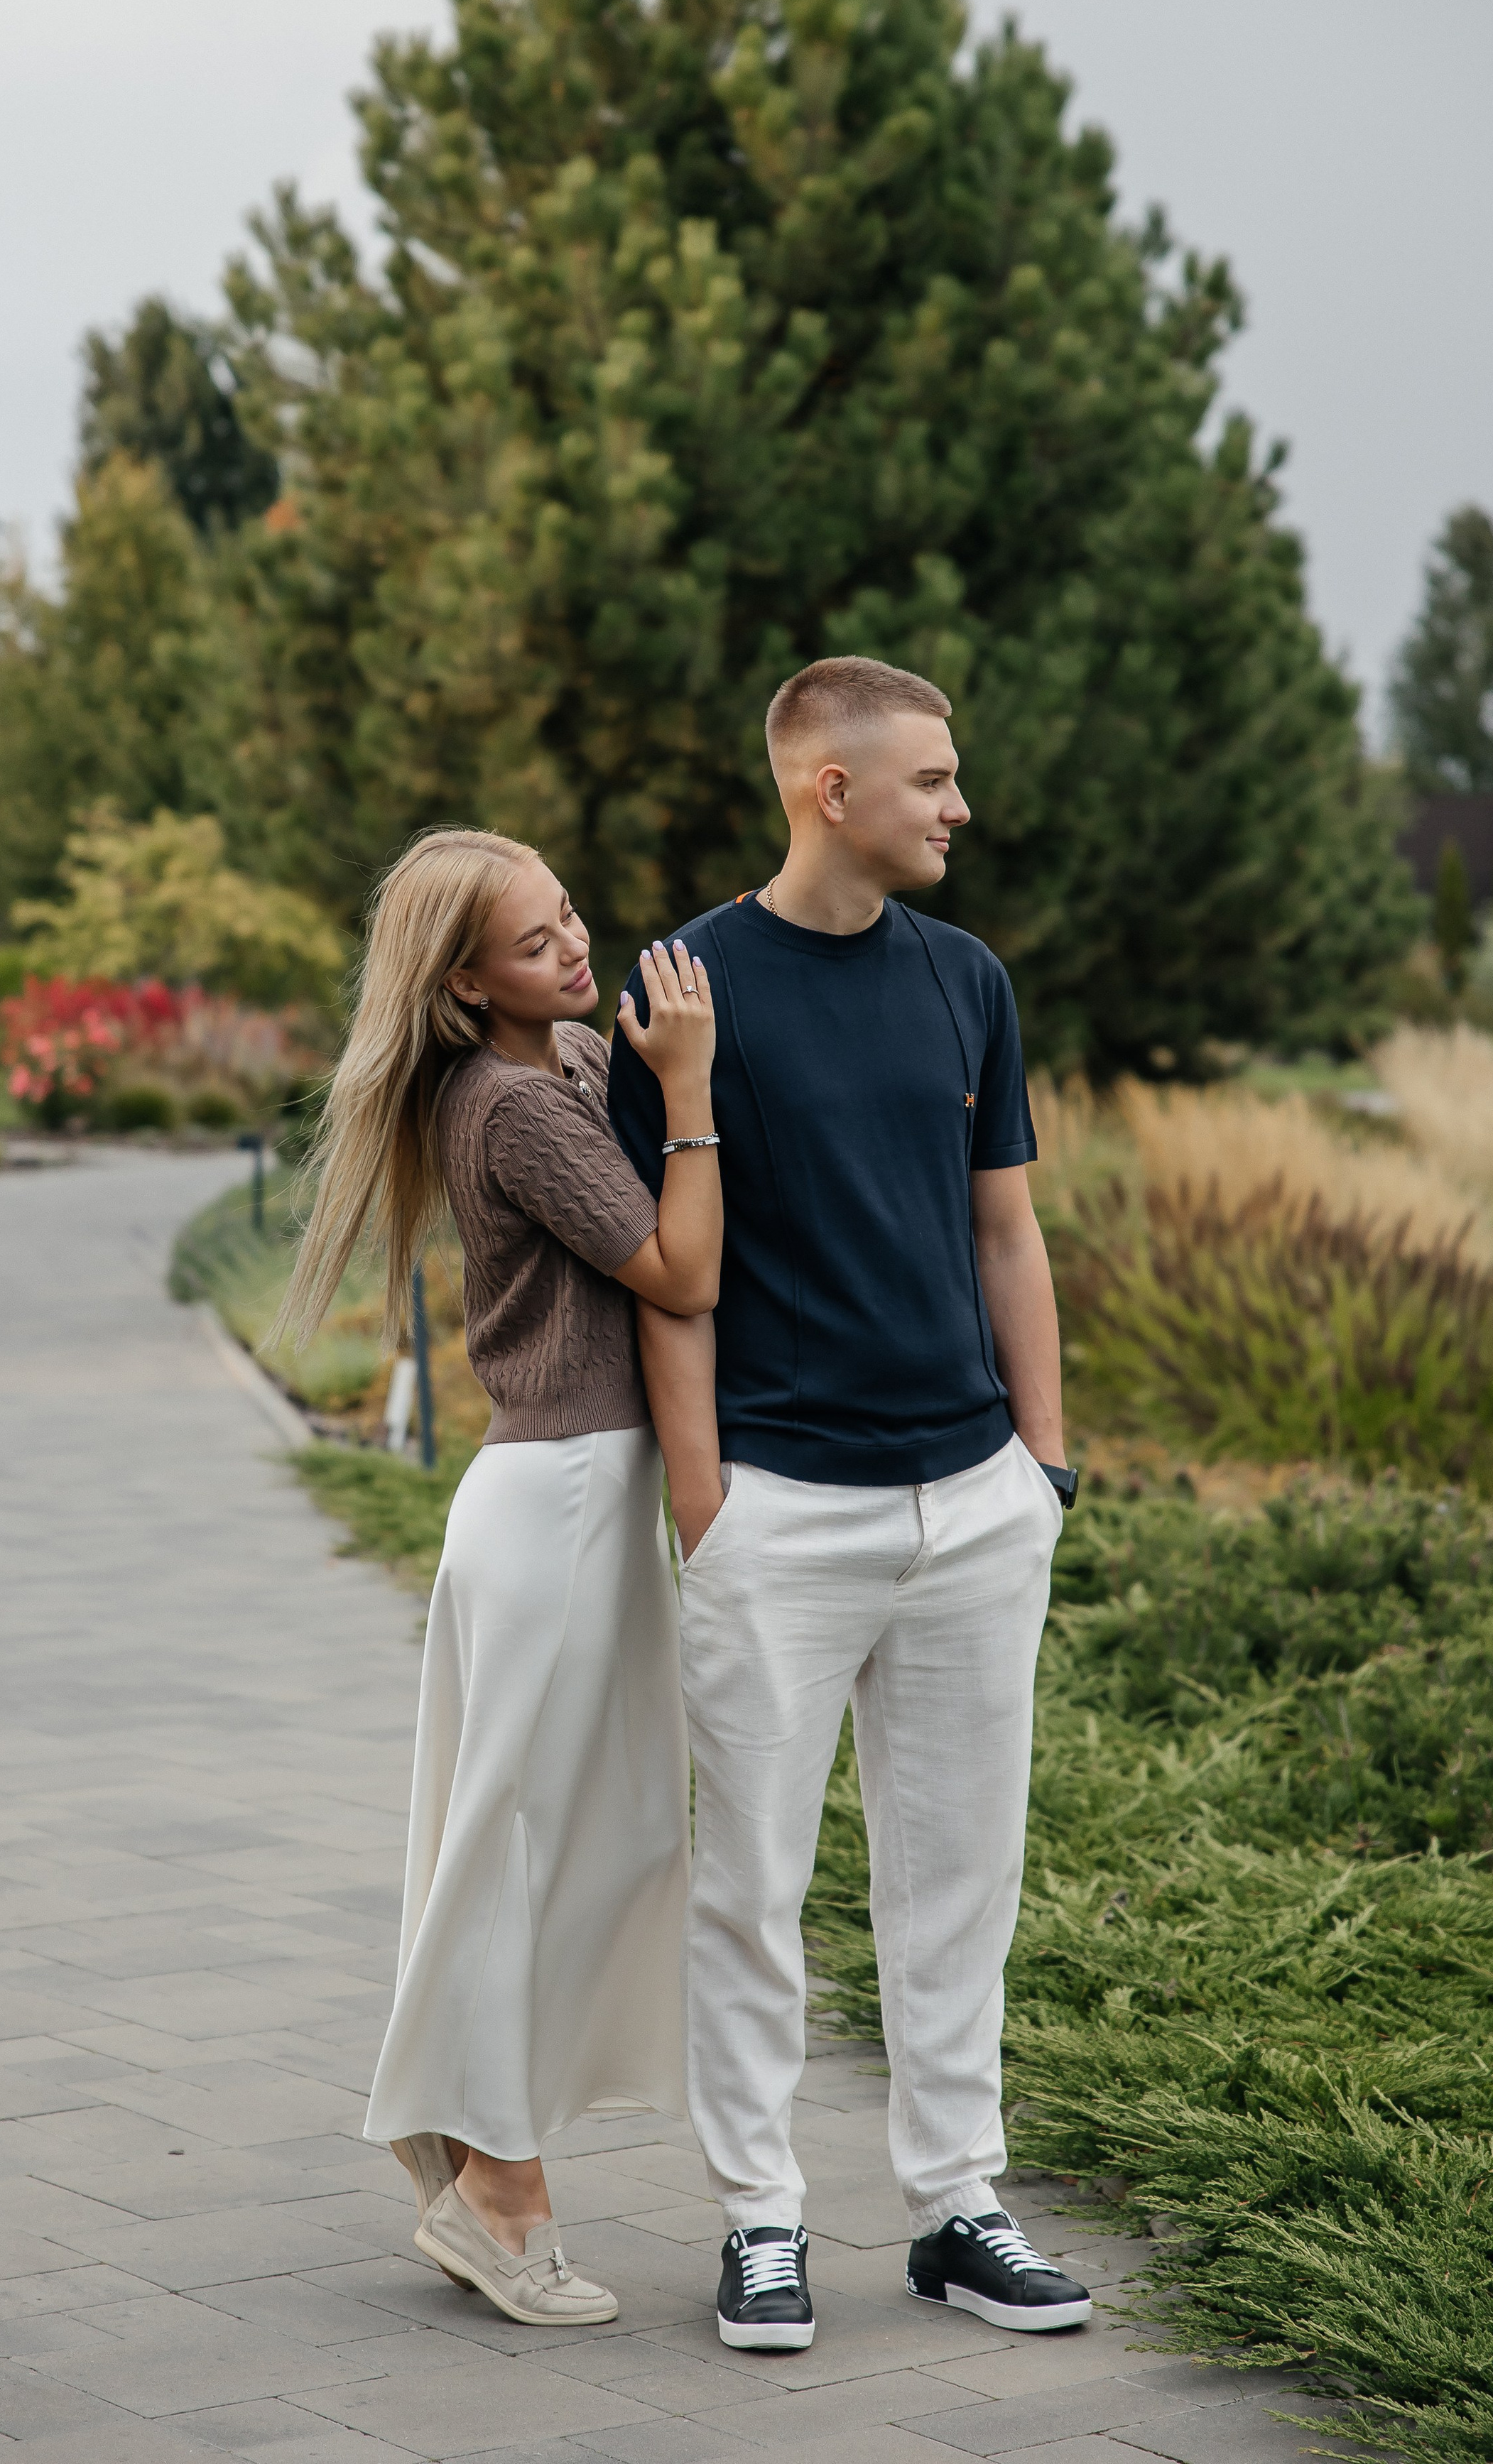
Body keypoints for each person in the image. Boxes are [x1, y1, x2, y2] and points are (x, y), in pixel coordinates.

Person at [609, 657, 1092, 2350]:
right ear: (829, 788)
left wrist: (1038, 1463)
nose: (959, 806)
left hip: (970, 1501)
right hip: (778, 1511)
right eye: (934, 780)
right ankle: (758, 2222)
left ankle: (958, 2208)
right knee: (746, 1881)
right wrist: (704, 1504)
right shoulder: (684, 987)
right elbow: (667, 1277)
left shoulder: (966, 980)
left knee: (960, 1872)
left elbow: (1002, 1231)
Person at [275, 827, 722, 2330]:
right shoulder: (514, 1103)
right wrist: (701, 1093)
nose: (576, 950)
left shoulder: (572, 1065)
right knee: (518, 1849)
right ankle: (495, 2190)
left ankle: (460, 2120)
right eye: (536, 946)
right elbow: (675, 1270)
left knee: (585, 1839)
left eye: (571, 919)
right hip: (562, 1500)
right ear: (464, 982)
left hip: (577, 1499)